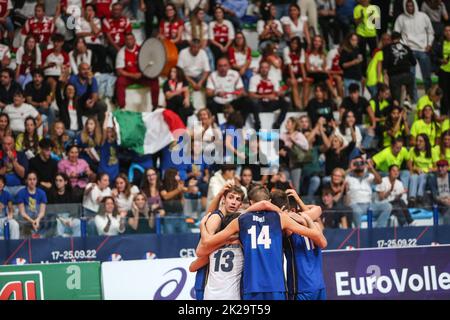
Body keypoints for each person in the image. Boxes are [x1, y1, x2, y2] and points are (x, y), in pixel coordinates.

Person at [197, 186, 326, 300]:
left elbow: (205, 244)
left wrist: (203, 226)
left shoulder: (240, 220)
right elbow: (317, 232)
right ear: (269, 201)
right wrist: (306, 220)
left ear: (250, 202)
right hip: (276, 286)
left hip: (252, 286)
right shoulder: (281, 218)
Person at [190, 183, 245, 300]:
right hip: (206, 274)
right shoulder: (217, 218)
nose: (234, 202)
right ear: (224, 200)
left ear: (241, 204)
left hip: (219, 273)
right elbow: (200, 250)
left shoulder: (230, 217)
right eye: (231, 197)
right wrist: (226, 241)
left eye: (237, 199)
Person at [394, 0, 434, 102]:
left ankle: (429, 99)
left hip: (423, 49)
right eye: (407, 6)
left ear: (415, 5)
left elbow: (430, 32)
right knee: (411, 78)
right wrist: (403, 47)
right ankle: (414, 100)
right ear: (405, 6)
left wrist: (429, 44)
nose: (410, 7)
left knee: (427, 77)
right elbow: (396, 34)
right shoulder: (401, 18)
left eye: (411, 5)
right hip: (408, 51)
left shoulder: (423, 16)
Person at [206, 56, 259, 129]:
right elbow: (208, 92)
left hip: (232, 101)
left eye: (225, 65)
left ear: (229, 66)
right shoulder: (212, 75)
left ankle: (242, 124)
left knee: (248, 101)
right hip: (218, 102)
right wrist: (217, 93)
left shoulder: (235, 74)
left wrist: (238, 93)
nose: (223, 68)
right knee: (209, 103)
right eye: (220, 66)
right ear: (217, 67)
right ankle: (217, 126)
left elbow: (241, 90)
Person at [115, 32, 160, 109]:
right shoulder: (121, 52)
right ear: (125, 41)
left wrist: (143, 74)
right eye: (127, 39)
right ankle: (122, 107)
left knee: (154, 80)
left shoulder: (142, 49)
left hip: (142, 75)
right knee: (119, 81)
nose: (129, 41)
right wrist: (132, 75)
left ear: (135, 40)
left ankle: (155, 106)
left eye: (131, 39)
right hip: (129, 77)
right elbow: (119, 71)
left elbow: (149, 64)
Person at [345, 156, 392, 228]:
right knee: (356, 211)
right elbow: (339, 177)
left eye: (361, 162)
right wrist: (350, 169)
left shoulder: (369, 176)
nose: (359, 164)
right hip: (355, 205)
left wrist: (371, 168)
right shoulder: (348, 177)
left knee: (387, 206)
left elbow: (379, 181)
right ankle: (358, 234)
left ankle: (379, 230)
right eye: (356, 163)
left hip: (369, 205)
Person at [249, 60, 288, 129]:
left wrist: (280, 93)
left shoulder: (274, 78)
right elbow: (251, 95)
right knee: (253, 102)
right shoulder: (254, 79)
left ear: (269, 69)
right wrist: (265, 96)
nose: (264, 70)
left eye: (266, 68)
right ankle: (257, 124)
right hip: (259, 104)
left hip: (271, 103)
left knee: (286, 102)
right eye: (262, 68)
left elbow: (276, 92)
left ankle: (277, 124)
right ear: (259, 69)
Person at [382, 31, 416, 104]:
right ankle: (407, 100)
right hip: (407, 75)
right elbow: (414, 62)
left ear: (391, 39)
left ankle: (397, 109)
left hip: (394, 76)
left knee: (396, 100)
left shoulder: (387, 48)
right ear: (400, 38)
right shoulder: (406, 48)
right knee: (409, 98)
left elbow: (385, 62)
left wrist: (385, 73)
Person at [281, 117, 309, 194]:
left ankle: (296, 204)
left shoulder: (298, 134)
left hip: (295, 163)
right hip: (285, 164)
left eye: (288, 122)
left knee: (295, 186)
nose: (286, 124)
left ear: (293, 124)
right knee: (283, 184)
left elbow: (306, 146)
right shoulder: (283, 135)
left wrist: (294, 140)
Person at [16, 171, 48, 238]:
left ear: (36, 180)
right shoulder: (21, 193)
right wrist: (32, 221)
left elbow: (42, 212)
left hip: (38, 220)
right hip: (25, 221)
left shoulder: (42, 193)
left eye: (34, 179)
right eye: (30, 179)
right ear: (26, 181)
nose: (32, 181)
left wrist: (37, 220)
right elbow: (22, 213)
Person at [407, 133, 436, 206]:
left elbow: (436, 167)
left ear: (425, 142)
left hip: (428, 174)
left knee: (423, 176)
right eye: (417, 141)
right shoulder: (412, 150)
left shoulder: (432, 151)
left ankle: (420, 196)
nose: (418, 143)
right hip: (416, 172)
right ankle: (412, 199)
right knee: (414, 177)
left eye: (420, 141)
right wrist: (415, 168)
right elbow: (409, 164)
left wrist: (431, 170)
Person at [102, 2, 132, 68]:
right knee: (115, 52)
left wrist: (126, 47)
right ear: (112, 10)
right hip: (112, 45)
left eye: (118, 10)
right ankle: (118, 72)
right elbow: (108, 37)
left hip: (124, 44)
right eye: (115, 9)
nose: (116, 12)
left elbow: (128, 35)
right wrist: (118, 48)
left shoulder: (126, 20)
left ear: (121, 11)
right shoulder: (106, 20)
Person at [160, 168, 189, 234]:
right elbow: (165, 196)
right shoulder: (163, 186)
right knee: (169, 238)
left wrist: (190, 186)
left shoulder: (179, 184)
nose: (179, 177)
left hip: (180, 214)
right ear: (171, 175)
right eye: (177, 175)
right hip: (169, 216)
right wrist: (178, 190)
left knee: (184, 236)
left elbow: (188, 190)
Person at [284, 36, 309, 109]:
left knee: (306, 82)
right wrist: (293, 78)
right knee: (294, 82)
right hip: (288, 74)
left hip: (298, 74)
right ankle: (298, 105)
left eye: (296, 44)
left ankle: (305, 104)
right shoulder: (286, 50)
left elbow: (301, 64)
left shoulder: (301, 51)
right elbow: (289, 64)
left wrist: (304, 77)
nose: (294, 45)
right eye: (293, 43)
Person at [353, 0, 378, 71]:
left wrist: (372, 17)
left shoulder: (374, 8)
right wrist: (361, 17)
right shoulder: (357, 8)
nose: (364, 1)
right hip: (361, 34)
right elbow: (356, 23)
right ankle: (363, 72)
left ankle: (374, 69)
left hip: (372, 33)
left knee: (374, 54)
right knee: (362, 54)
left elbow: (377, 23)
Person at [434, 24, 450, 115]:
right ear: (444, 33)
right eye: (446, 31)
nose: (448, 32)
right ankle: (444, 115)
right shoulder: (440, 43)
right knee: (444, 95)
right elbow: (433, 56)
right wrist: (441, 60)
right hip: (444, 71)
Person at [428, 159, 450, 225]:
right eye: (438, 166)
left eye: (442, 166)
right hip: (440, 204)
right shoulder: (433, 179)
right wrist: (443, 200)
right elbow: (434, 195)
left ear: (447, 167)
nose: (440, 168)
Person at [0, 175, 19, 240]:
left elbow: (10, 209)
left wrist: (10, 215)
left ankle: (14, 245)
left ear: (4, 184)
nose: (0, 184)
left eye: (2, 183)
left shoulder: (7, 194)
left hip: (3, 218)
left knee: (14, 224)